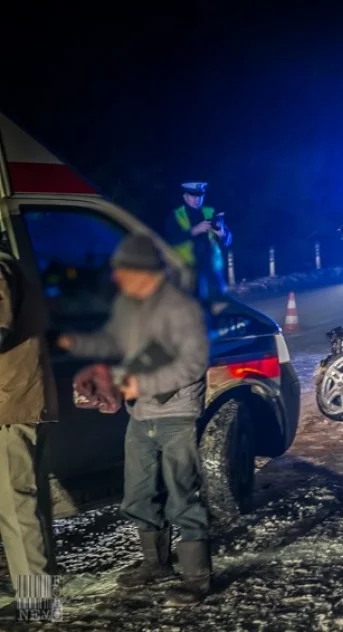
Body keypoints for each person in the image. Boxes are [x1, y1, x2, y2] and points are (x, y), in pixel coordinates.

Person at [56, 234, 212, 606]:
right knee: (138, 494)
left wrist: (139, 383)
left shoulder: (182, 309)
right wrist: (86, 358)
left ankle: (196, 577)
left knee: (182, 495)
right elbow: (116, 343)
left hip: (176, 414)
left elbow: (193, 363)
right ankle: (156, 564)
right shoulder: (131, 306)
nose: (118, 279)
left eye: (124, 272)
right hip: (140, 414)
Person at [0, 252, 58, 618]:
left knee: (19, 506)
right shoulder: (14, 264)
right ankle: (36, 593)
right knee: (22, 506)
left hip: (11, 403)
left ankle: (37, 603)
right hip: (18, 398)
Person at [164, 182, 232, 302]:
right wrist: (195, 230)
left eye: (200, 196)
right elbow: (170, 240)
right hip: (189, 269)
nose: (197, 199)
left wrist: (222, 234)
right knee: (198, 306)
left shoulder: (210, 212)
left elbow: (227, 240)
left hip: (213, 269)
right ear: (185, 197)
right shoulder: (176, 215)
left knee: (221, 303)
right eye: (193, 196)